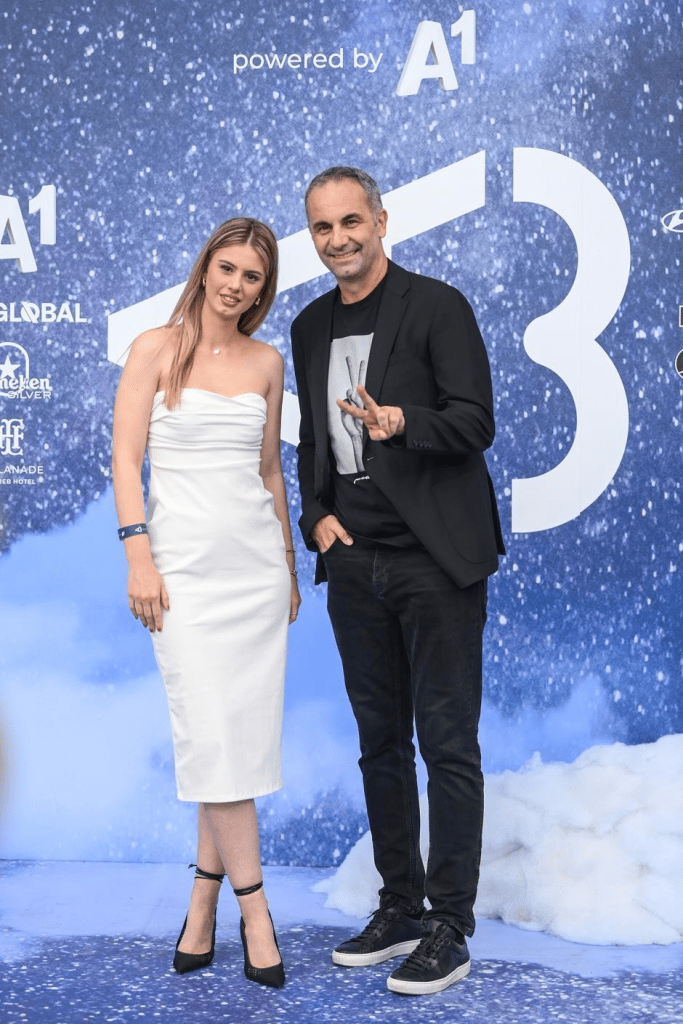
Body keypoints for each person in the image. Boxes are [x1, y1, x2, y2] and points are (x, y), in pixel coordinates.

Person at [291, 167, 504, 996]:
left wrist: (401, 422)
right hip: (354, 563)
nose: (338, 239)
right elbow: (312, 438)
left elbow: (475, 421)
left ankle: (449, 925)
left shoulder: (437, 306)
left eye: (351, 221)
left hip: (433, 560)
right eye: (322, 227)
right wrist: (316, 516)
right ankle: (400, 907)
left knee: (447, 745)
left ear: (380, 220)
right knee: (380, 743)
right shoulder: (310, 324)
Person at [112, 217, 300, 989]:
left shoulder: (267, 362)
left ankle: (201, 904)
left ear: (262, 290)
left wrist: (288, 564)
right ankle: (256, 911)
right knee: (212, 736)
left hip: (254, 576)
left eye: (252, 276)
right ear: (204, 268)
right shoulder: (153, 348)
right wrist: (138, 555)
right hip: (180, 575)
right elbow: (126, 457)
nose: (235, 285)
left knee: (230, 744)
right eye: (227, 268)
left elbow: (269, 471)